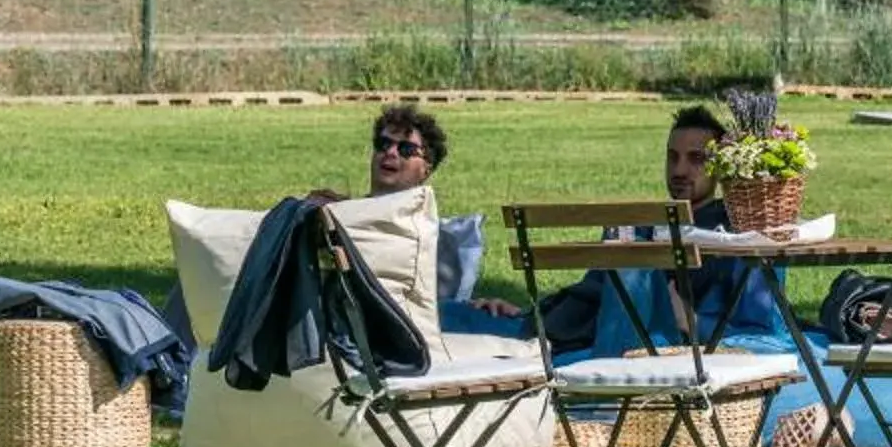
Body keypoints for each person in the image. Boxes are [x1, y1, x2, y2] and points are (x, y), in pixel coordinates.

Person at [542, 104, 798, 358]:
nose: (679, 171)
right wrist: (530, 315)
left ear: (720, 167)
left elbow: (762, 332)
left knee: (631, 265)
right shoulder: (641, 225)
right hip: (623, 340)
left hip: (674, 350)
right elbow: (589, 294)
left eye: (696, 159)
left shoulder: (735, 232)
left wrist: (689, 319)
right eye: (672, 157)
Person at [315, 102, 525, 334]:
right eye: (383, 144)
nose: (391, 153)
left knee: (522, 324)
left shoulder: (434, 237)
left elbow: (436, 301)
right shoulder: (337, 215)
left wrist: (477, 306)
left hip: (423, 326)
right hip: (361, 328)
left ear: (427, 168)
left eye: (405, 150)